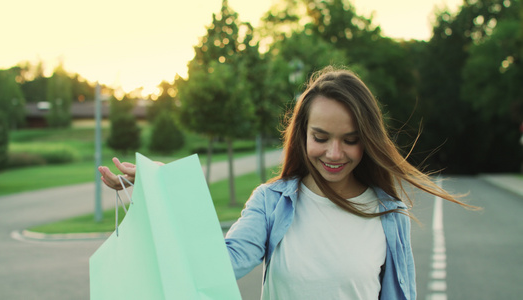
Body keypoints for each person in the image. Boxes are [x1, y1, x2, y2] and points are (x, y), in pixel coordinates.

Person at [99, 66, 473, 300]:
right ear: (302, 135)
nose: (334, 153)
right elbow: (219, 264)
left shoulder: (390, 214)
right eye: (321, 137)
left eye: (351, 139)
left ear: (368, 139)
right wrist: (162, 188)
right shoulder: (271, 201)